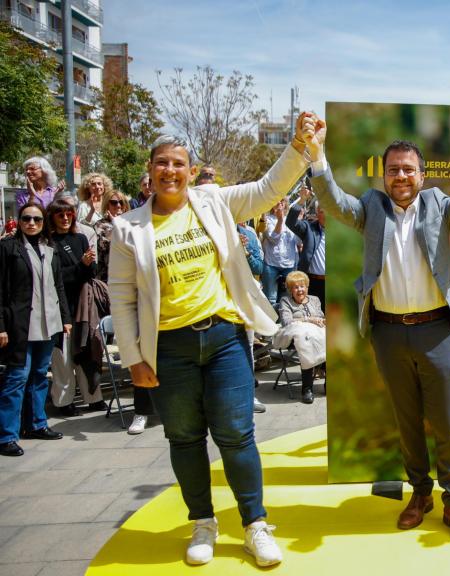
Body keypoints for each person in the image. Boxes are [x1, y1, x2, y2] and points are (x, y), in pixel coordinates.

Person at [309, 117, 450, 546]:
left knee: (446, 424)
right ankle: (420, 495)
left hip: (436, 330)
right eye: (393, 169)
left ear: (421, 174)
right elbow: (335, 202)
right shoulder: (371, 210)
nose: (400, 176)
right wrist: (317, 155)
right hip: (389, 332)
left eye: (408, 169)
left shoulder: (439, 206)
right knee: (408, 421)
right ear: (384, 174)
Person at [108, 112, 319, 566]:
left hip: (223, 338)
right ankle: (203, 523)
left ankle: (255, 525)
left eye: (179, 163)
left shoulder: (213, 202)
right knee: (184, 439)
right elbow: (122, 299)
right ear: (150, 171)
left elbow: (267, 190)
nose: (171, 171)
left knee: (237, 435)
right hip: (168, 347)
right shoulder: (128, 229)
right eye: (162, 163)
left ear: (190, 169)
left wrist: (299, 146)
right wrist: (133, 359)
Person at [0, 202, 72, 457]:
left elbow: (58, 286)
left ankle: (37, 424)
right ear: (19, 221)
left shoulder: (49, 249)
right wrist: (1, 327)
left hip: (48, 323)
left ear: (44, 223)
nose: (31, 223)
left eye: (37, 219)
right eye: (27, 218)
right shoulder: (8, 248)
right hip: (20, 326)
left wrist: (65, 318)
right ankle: (7, 435)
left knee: (40, 376)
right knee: (17, 379)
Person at [45, 197, 105, 416]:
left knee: (87, 353)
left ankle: (94, 397)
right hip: (61, 306)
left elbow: (91, 273)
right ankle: (64, 401)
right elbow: (56, 277)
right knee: (63, 357)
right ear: (52, 217)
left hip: (84, 305)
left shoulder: (80, 238)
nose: (65, 218)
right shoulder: (48, 242)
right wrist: (82, 265)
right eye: (60, 214)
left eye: (69, 214)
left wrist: (88, 265)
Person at [276, 271, 325, 404]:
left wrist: (321, 321)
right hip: (295, 335)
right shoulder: (285, 301)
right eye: (296, 287)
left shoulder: (315, 299)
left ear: (307, 287)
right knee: (305, 341)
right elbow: (286, 322)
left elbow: (321, 317)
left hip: (316, 334)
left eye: (302, 286)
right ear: (291, 289)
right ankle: (307, 388)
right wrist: (309, 319)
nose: (300, 290)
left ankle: (328, 382)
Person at [286, 185, 326, 305]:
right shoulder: (309, 228)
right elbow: (290, 222)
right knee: (313, 317)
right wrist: (302, 200)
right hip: (312, 282)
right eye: (324, 211)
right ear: (318, 213)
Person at [261, 198, 300, 305]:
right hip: (271, 264)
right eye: (276, 200)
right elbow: (273, 238)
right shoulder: (267, 219)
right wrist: (280, 220)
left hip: (290, 265)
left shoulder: (292, 221)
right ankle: (271, 321)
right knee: (270, 299)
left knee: (288, 298)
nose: (279, 203)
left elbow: (298, 241)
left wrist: (300, 225)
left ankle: (285, 320)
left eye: (282, 200)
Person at [93, 189, 130, 283]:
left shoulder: (131, 223)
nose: (118, 205)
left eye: (121, 202)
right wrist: (116, 225)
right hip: (108, 279)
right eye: (114, 203)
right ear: (107, 205)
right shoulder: (100, 225)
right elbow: (107, 247)